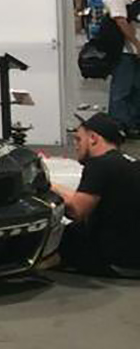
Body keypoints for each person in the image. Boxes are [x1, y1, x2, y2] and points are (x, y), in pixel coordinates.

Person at [54, 112, 140, 277]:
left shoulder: (99, 165)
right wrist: (54, 186)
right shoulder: (128, 162)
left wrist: (46, 187)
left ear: (93, 138)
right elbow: (84, 196)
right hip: (132, 254)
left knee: (48, 242)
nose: (76, 146)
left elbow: (76, 211)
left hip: (114, 258)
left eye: (79, 139)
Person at [105, 0, 140, 131]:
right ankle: (118, 126)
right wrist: (137, 44)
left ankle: (131, 123)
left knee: (135, 88)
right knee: (121, 89)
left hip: (133, 51)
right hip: (125, 52)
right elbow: (121, 22)